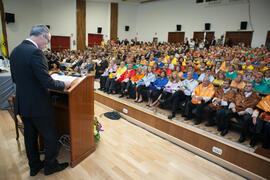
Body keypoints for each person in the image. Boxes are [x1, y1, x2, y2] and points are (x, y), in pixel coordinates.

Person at [10, 25, 70, 176]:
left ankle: (34, 166)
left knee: (30, 137)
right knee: (50, 136)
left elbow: (15, 79)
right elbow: (47, 82)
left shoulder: (15, 50)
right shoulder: (36, 52)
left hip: (23, 102)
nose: (47, 44)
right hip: (38, 104)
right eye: (47, 40)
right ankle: (50, 166)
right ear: (42, 36)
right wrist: (64, 84)